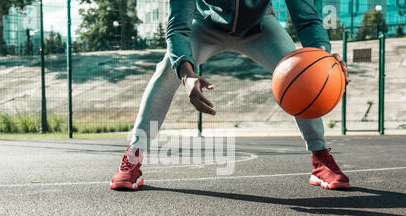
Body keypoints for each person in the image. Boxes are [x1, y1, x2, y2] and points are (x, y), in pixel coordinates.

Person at [110, 0, 350, 191]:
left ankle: (320, 157)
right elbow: (178, 25)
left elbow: (306, 18)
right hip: (205, 25)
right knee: (165, 71)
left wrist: (322, 58)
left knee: (305, 73)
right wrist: (186, 73)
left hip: (260, 26)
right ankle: (134, 155)